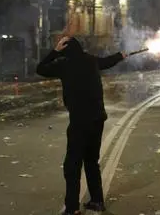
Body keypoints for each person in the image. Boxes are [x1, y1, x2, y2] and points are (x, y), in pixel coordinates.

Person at [36, 36, 127, 215]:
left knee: (72, 165)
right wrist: (120, 56)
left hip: (80, 121)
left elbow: (40, 69)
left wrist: (55, 51)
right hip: (97, 119)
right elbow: (106, 62)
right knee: (91, 162)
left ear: (65, 49)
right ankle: (97, 201)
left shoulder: (63, 64)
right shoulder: (91, 61)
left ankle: (72, 209)